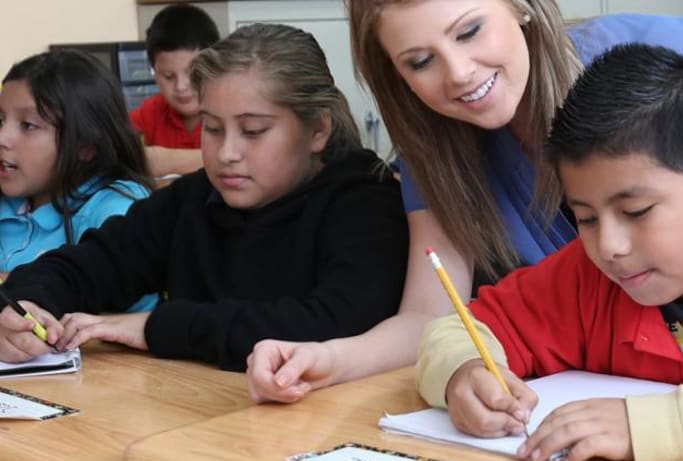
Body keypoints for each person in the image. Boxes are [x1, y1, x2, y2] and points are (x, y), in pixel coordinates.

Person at [246, 0, 683, 404]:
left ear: (520, 6)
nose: (460, 73)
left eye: (469, 31)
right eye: (420, 61)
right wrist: (330, 359)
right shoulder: (437, 150)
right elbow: (436, 317)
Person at [0, 23, 408, 373]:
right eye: (212, 129)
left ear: (317, 130)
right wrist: (26, 306)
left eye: (252, 131)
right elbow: (89, 265)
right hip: (195, 416)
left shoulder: (367, 201)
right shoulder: (193, 199)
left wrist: (156, 327)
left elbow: (336, 324)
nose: (226, 153)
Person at [417, 43, 683, 461]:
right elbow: (457, 330)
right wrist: (462, 373)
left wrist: (658, 425)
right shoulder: (587, 277)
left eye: (636, 211)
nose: (609, 246)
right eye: (586, 218)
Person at [0, 50, 155, 311]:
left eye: (28, 125)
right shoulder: (9, 197)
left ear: (86, 146)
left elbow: (129, 325)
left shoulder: (117, 212)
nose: (3, 138)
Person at [130, 4, 220, 178]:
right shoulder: (150, 113)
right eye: (168, 76)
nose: (181, 86)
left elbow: (248, 158)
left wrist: (167, 160)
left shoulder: (228, 111)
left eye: (193, 73)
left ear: (215, 66)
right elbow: (112, 152)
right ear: (154, 73)